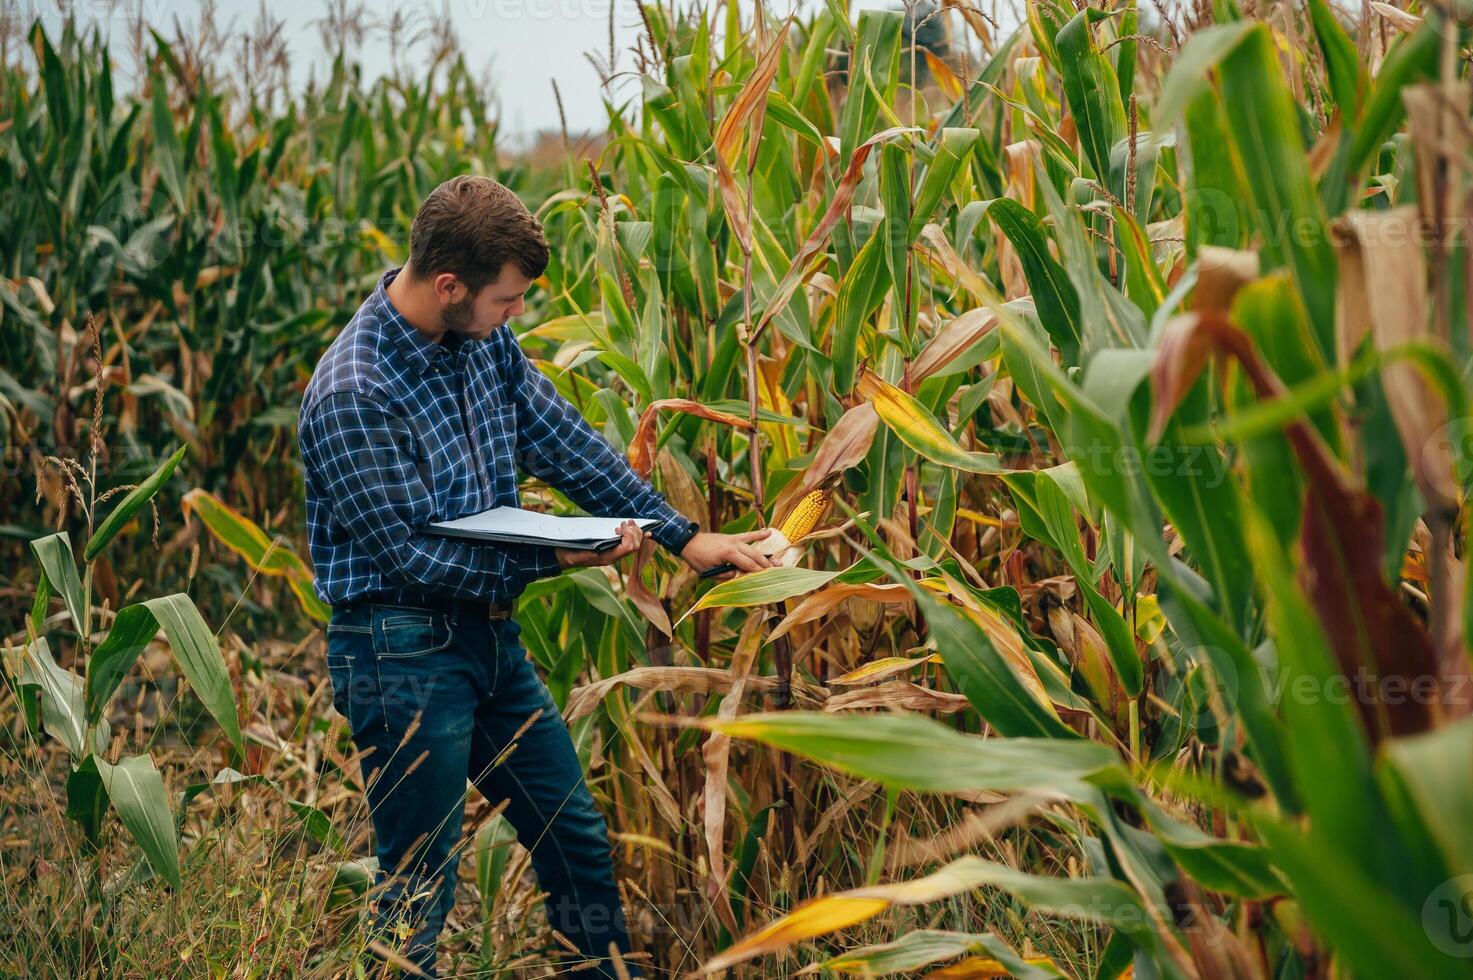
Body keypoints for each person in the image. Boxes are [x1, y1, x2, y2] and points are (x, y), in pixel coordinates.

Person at [297, 174, 775, 978]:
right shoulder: (354, 392)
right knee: (418, 885)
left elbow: (563, 442)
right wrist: (551, 558)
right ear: (449, 285)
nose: (515, 315)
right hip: (400, 654)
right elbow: (409, 555)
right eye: (507, 300)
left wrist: (682, 536)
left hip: (488, 639)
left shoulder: (484, 343)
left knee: (573, 835)